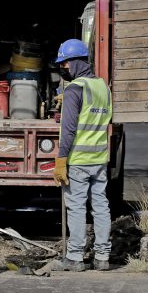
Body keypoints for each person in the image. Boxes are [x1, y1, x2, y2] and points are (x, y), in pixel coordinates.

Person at [53, 38, 112, 272]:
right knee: (101, 206)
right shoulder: (102, 87)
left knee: (76, 207)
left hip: (78, 160)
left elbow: (68, 130)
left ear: (75, 62)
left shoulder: (75, 89)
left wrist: (61, 160)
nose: (63, 68)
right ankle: (102, 256)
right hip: (99, 159)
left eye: (65, 64)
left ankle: (75, 257)